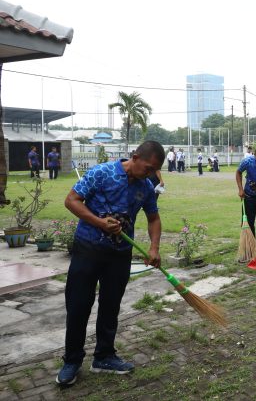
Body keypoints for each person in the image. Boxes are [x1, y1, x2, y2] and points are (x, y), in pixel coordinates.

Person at [56, 141, 165, 386]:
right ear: (135, 157)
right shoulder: (101, 173)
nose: (149, 175)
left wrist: (154, 248)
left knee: (110, 305)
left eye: (154, 171)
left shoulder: (146, 187)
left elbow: (154, 218)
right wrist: (99, 222)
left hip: (120, 255)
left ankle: (104, 356)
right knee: (78, 305)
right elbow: (71, 200)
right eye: (148, 168)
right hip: (88, 249)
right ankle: (72, 360)